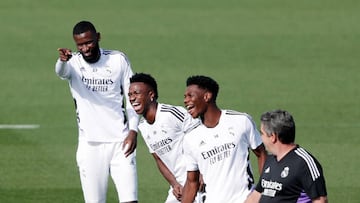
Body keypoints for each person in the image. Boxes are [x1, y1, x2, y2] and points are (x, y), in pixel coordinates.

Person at [55, 21, 139, 203]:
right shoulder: (73, 62)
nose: (85, 48)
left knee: (130, 200)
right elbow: (61, 73)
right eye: (80, 45)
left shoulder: (118, 60)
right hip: (90, 145)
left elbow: (133, 97)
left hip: (121, 142)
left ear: (98, 37)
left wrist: (133, 131)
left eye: (89, 42)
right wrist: (62, 61)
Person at [181, 75, 267, 203]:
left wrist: (264, 190)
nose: (185, 101)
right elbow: (191, 182)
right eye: (185, 97)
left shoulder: (241, 121)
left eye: (190, 96)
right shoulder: (190, 138)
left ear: (207, 96)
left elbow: (262, 154)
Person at [128, 73, 203, 203]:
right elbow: (158, 159)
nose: (132, 98)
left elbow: (201, 138)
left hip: (198, 180)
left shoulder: (171, 114)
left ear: (151, 95)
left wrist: (202, 174)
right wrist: (174, 184)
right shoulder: (143, 126)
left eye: (136, 93)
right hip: (179, 186)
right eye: (130, 95)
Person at [245, 109, 328, 203]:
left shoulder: (304, 163)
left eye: (262, 134)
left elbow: (320, 200)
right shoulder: (270, 160)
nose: (261, 138)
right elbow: (256, 196)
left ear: (273, 137)